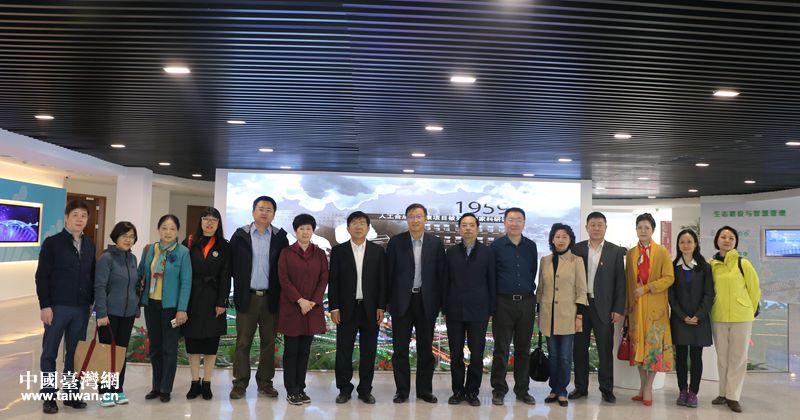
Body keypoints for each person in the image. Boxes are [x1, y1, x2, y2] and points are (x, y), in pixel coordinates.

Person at [36, 199, 96, 414]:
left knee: (75, 353)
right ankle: (49, 397)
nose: (80, 219)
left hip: (81, 308)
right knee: (49, 353)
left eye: (84, 216)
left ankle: (71, 394)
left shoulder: (89, 245)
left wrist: (91, 302)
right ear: (67, 217)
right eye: (75, 215)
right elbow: (41, 276)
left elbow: (91, 276)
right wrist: (45, 305)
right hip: (57, 307)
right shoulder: (52, 243)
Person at [229, 196, 289, 400]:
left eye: (269, 209)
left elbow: (284, 269)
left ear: (274, 214)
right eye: (261, 208)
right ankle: (240, 383)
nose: (264, 212)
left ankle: (265, 383)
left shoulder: (280, 237)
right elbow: (231, 265)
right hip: (247, 297)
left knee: (268, 343)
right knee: (243, 342)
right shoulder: (240, 235)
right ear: (253, 211)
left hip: (271, 299)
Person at [386, 203, 446, 404]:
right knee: (400, 349)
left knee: (426, 350)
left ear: (425, 219)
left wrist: (441, 304)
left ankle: (424, 391)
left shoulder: (436, 243)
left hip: (426, 302)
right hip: (402, 302)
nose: (415, 220)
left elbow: (441, 276)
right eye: (411, 216)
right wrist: (386, 303)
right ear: (407, 219)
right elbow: (388, 274)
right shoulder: (396, 242)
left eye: (418, 216)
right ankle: (402, 391)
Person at [328, 211, 387, 405]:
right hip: (346, 309)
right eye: (354, 223)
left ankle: (365, 390)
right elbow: (333, 281)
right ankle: (344, 389)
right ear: (348, 228)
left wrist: (381, 306)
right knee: (343, 351)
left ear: (368, 228)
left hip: (370, 309)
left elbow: (382, 281)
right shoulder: (339, 251)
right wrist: (334, 307)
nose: (359, 226)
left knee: (368, 352)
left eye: (362, 223)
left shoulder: (378, 251)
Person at [570, 211, 626, 403]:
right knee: (579, 349)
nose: (596, 228)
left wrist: (618, 309)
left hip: (605, 307)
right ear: (586, 227)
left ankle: (607, 389)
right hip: (580, 306)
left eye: (599, 224)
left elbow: (620, 282)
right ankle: (580, 387)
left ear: (605, 227)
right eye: (592, 225)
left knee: (604, 350)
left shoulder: (615, 251)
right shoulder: (577, 249)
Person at [443, 213, 496, 407]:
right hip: (454, 310)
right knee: (455, 353)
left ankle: (473, 391)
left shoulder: (487, 253)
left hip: (479, 311)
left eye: (471, 225)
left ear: (477, 229)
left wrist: (491, 309)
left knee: (477, 354)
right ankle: (458, 391)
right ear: (459, 229)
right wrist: (444, 307)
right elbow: (445, 281)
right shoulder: (451, 252)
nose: (468, 228)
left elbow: (492, 282)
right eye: (464, 225)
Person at [138, 214, 192, 403]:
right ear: (158, 230)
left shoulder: (183, 252)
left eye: (172, 229)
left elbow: (186, 282)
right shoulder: (150, 250)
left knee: (169, 348)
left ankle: (166, 389)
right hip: (151, 304)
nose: (168, 232)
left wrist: (182, 309)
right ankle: (156, 386)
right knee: (155, 347)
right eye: (164, 228)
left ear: (177, 231)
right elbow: (141, 273)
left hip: (171, 308)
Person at [277, 214, 329, 405]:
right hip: (292, 308)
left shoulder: (319, 253)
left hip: (311, 310)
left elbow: (324, 278)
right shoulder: (286, 253)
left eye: (308, 228)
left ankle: (301, 388)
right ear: (295, 231)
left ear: (313, 231)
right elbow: (283, 279)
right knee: (291, 351)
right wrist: (300, 301)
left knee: (305, 351)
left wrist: (312, 302)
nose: (305, 232)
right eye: (301, 229)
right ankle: (291, 390)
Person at [709, 225, 761, 413]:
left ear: (735, 242)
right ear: (717, 240)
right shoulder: (711, 265)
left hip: (742, 317)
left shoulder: (743, 263)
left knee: (738, 357)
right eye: (723, 237)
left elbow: (754, 290)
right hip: (718, 316)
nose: (727, 240)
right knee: (722, 357)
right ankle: (723, 393)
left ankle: (733, 396)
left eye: (731, 238)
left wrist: (749, 310)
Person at [624, 212, 674, 406]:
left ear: (652, 230)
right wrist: (627, 305)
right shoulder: (631, 253)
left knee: (653, 349)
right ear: (636, 230)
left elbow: (669, 278)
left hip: (655, 308)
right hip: (636, 308)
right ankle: (642, 386)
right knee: (638, 348)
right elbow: (628, 282)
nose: (643, 231)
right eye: (640, 227)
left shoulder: (662, 252)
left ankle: (648, 387)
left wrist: (646, 288)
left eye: (646, 227)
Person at [490, 207, 538, 406]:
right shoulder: (496, 246)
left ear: (524, 223)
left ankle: (522, 390)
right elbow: (492, 276)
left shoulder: (531, 246)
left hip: (526, 302)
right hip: (503, 302)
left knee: (523, 349)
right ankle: (499, 389)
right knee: (501, 348)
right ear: (504, 222)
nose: (514, 223)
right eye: (511, 219)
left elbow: (532, 271)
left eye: (518, 220)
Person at [181, 207, 230, 401]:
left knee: (211, 344)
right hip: (191, 298)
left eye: (214, 219)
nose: (210, 223)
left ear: (218, 223)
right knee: (192, 343)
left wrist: (222, 301)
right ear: (200, 221)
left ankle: (207, 383)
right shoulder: (189, 242)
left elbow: (226, 275)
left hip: (214, 299)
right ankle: (195, 382)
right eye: (206, 218)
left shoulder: (224, 245)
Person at [537, 223, 588, 407]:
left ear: (570, 240)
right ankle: (553, 389)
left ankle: (562, 390)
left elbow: (581, 290)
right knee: (553, 355)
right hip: (548, 315)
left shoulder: (576, 261)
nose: (561, 240)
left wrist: (579, 315)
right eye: (557, 237)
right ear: (552, 239)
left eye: (565, 237)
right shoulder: (545, 261)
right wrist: (538, 312)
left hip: (568, 315)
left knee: (565, 356)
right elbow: (540, 288)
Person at [94, 221, 140, 407]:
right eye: (124, 236)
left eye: (131, 236)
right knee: (107, 353)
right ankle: (105, 391)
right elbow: (99, 287)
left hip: (127, 314)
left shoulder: (133, 259)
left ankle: (118, 388)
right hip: (109, 314)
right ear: (116, 237)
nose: (128, 240)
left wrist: (136, 306)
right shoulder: (106, 258)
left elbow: (135, 285)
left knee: (121, 353)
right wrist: (101, 313)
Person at [668, 229, 714, 408]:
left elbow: (709, 294)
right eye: (682, 242)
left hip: (699, 320)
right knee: (680, 357)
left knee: (696, 357)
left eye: (689, 242)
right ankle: (682, 390)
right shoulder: (673, 267)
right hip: (679, 319)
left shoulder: (705, 267)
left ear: (695, 244)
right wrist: (683, 316)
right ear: (678, 245)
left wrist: (698, 315)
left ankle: (693, 392)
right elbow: (671, 295)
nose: (686, 245)